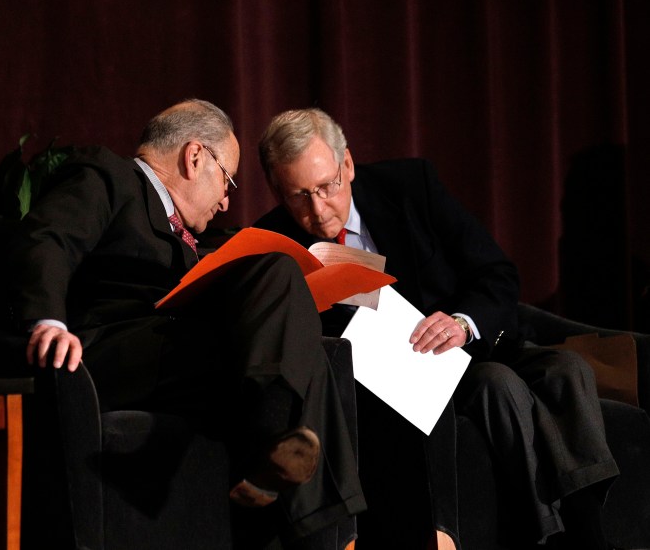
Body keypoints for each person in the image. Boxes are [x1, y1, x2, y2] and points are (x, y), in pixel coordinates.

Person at [254, 108, 619, 550]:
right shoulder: (274, 243)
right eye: (298, 195)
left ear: (347, 164)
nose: (317, 208)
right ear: (276, 189)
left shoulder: (410, 188)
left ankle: (593, 531)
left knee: (568, 369)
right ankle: (547, 536)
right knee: (498, 386)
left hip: (475, 342)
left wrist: (463, 324)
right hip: (402, 379)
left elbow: (496, 273)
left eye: (327, 186)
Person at [8, 100, 365, 549]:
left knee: (289, 303)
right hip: (111, 353)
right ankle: (294, 476)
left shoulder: (200, 237)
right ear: (196, 157)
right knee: (280, 317)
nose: (227, 199)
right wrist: (48, 321)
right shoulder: (111, 177)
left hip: (182, 352)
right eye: (228, 180)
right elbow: (47, 238)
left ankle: (278, 463)